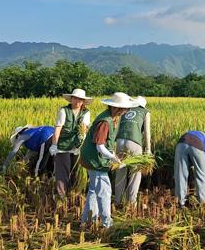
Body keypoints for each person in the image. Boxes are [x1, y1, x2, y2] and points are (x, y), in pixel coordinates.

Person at [80, 92, 138, 228]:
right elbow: (99, 146)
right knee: (105, 192)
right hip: (95, 161)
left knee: (94, 191)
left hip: (92, 159)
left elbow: (106, 143)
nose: (125, 111)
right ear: (117, 108)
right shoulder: (105, 122)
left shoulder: (111, 118)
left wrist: (113, 154)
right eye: (124, 109)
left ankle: (87, 221)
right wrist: (113, 157)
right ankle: (107, 224)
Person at [50, 88, 92, 198]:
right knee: (62, 172)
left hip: (77, 146)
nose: (77, 101)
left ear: (83, 101)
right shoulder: (64, 111)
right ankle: (61, 196)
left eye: (80, 99)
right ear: (71, 99)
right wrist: (54, 144)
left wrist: (82, 140)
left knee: (76, 171)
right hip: (63, 146)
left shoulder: (86, 112)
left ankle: (73, 194)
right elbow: (58, 128)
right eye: (75, 98)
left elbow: (84, 128)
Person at [114, 96, 152, 207]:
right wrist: (148, 149)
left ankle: (118, 201)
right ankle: (132, 201)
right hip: (134, 142)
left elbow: (117, 128)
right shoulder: (145, 112)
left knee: (121, 171)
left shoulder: (126, 109)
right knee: (136, 172)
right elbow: (147, 132)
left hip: (120, 141)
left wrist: (113, 144)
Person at [174, 130, 205, 208]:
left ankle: (181, 202)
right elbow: (201, 170)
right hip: (196, 144)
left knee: (180, 174)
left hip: (181, 143)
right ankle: (202, 201)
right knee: (201, 175)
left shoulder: (204, 138)